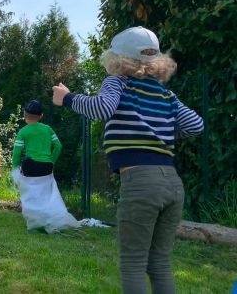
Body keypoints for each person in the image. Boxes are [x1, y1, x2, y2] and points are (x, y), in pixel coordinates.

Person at [52, 26, 204, 293]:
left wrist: (67, 98)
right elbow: (196, 125)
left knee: (132, 263)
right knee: (159, 263)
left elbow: (102, 108)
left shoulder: (118, 82)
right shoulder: (165, 94)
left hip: (141, 182)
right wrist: (161, 134)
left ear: (116, 58)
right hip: (172, 183)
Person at [11, 99, 78, 233]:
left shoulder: (23, 131)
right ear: (41, 116)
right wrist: (51, 161)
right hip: (46, 166)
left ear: (24, 114)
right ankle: (50, 221)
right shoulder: (48, 129)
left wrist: (15, 168)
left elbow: (17, 152)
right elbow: (58, 146)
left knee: (31, 195)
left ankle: (34, 225)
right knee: (46, 195)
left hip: (30, 166)